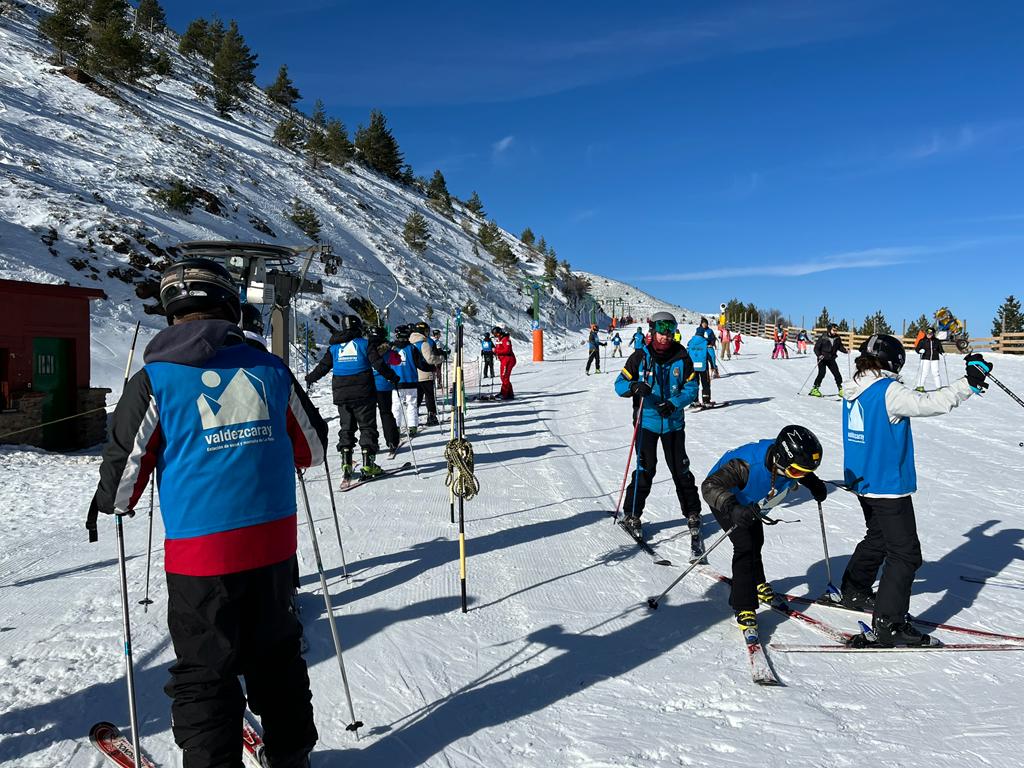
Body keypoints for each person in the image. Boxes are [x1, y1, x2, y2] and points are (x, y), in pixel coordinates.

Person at [87, 258, 328, 768]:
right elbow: (313, 447)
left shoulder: (156, 378)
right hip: (274, 544)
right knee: (277, 657)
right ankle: (292, 759)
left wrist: (112, 502)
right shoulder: (271, 368)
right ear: (228, 304)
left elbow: (126, 468)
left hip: (202, 553)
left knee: (206, 670)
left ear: (172, 312)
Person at [839, 334, 991, 646]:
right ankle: (889, 623)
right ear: (894, 360)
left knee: (878, 538)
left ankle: (855, 588)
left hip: (863, 480)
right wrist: (969, 383)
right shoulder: (887, 390)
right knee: (906, 555)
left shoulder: (853, 387)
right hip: (886, 485)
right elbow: (929, 403)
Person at [701, 426, 827, 634]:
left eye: (805, 472)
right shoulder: (746, 465)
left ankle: (758, 582)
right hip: (725, 500)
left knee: (756, 541)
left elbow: (798, 469)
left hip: (753, 501)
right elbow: (709, 486)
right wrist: (733, 508)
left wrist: (813, 483)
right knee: (745, 547)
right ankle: (744, 606)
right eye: (797, 472)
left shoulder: (787, 460)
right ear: (780, 459)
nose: (799, 476)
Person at [614, 312, 701, 537]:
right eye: (661, 332)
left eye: (670, 332)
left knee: (680, 469)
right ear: (653, 332)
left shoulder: (683, 357)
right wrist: (634, 387)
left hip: (673, 424)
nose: (665, 337)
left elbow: (691, 390)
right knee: (645, 468)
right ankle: (632, 513)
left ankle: (692, 512)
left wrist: (674, 403)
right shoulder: (639, 357)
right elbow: (619, 384)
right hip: (646, 424)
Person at [306, 314, 400, 481]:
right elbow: (378, 363)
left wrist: (310, 378)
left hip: (342, 394)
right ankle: (368, 464)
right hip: (363, 393)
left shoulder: (334, 347)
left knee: (346, 428)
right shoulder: (365, 344)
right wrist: (392, 376)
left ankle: (346, 463)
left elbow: (323, 367)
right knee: (367, 427)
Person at [390, 324, 433, 437]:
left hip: (397, 381)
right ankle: (412, 426)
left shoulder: (392, 348)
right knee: (412, 404)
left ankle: (396, 427)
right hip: (411, 380)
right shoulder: (412, 348)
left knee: (396, 405)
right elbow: (421, 364)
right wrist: (431, 368)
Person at [366, 326, 402, 455]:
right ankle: (392, 441)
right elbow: (397, 361)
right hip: (383, 385)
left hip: (367, 385)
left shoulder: (365, 348)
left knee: (368, 418)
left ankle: (371, 445)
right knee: (386, 413)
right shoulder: (387, 350)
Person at [410, 321, 444, 426]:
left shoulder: (410, 342)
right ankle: (431, 416)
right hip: (425, 372)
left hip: (414, 373)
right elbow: (430, 359)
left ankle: (413, 417)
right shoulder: (423, 343)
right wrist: (441, 358)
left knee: (418, 396)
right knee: (429, 396)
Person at [810, 323, 848, 397]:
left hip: (831, 358)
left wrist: (845, 350)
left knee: (837, 374)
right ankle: (814, 389)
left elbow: (840, 347)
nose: (835, 332)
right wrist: (819, 355)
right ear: (829, 330)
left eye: (836, 330)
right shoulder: (823, 337)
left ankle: (840, 389)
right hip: (822, 358)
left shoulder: (837, 338)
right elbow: (816, 348)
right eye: (834, 330)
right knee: (822, 373)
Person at [686, 327, 714, 406]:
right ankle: (706, 401)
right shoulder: (705, 342)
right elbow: (711, 355)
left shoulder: (690, 342)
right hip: (703, 367)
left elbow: (687, 353)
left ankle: (695, 401)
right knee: (705, 384)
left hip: (693, 367)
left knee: (694, 384)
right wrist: (713, 366)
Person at [914, 326, 944, 391]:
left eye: (930, 334)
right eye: (927, 333)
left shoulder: (937, 341)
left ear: (933, 334)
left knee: (936, 373)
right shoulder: (922, 341)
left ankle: (939, 387)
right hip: (925, 359)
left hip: (935, 359)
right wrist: (919, 351)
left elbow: (940, 349)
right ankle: (920, 386)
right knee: (924, 372)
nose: (929, 335)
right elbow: (917, 349)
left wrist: (942, 353)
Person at [493, 326, 516, 400]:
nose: (495, 336)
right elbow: (498, 348)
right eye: (494, 335)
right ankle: (509, 393)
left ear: (499, 333)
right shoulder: (499, 339)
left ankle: (504, 394)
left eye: (496, 334)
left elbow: (507, 350)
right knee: (503, 377)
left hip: (508, 359)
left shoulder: (505, 339)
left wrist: (496, 351)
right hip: (503, 360)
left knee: (505, 377)